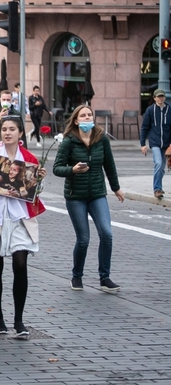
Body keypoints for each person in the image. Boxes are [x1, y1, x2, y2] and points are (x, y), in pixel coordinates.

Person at [0, 116, 46, 339]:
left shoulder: (29, 158)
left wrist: (38, 181)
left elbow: (34, 192)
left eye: (12, 129)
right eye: (4, 129)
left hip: (20, 218)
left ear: (21, 133)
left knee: (20, 264)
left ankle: (19, 320)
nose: (7, 133)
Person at [53, 105, 123, 292]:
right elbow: (57, 168)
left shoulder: (101, 139)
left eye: (89, 115)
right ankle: (77, 276)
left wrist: (116, 188)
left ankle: (105, 278)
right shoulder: (69, 141)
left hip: (97, 194)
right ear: (76, 120)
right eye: (82, 116)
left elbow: (109, 164)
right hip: (76, 196)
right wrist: (72, 170)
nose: (86, 118)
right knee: (83, 239)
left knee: (106, 234)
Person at [139, 88, 171, 199]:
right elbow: (144, 128)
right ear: (154, 98)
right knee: (158, 163)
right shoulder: (150, 110)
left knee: (162, 168)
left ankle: (159, 188)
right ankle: (157, 189)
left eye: (162, 96)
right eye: (158, 96)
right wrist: (143, 144)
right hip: (155, 142)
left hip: (166, 144)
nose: (160, 98)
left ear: (164, 97)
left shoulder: (169, 110)